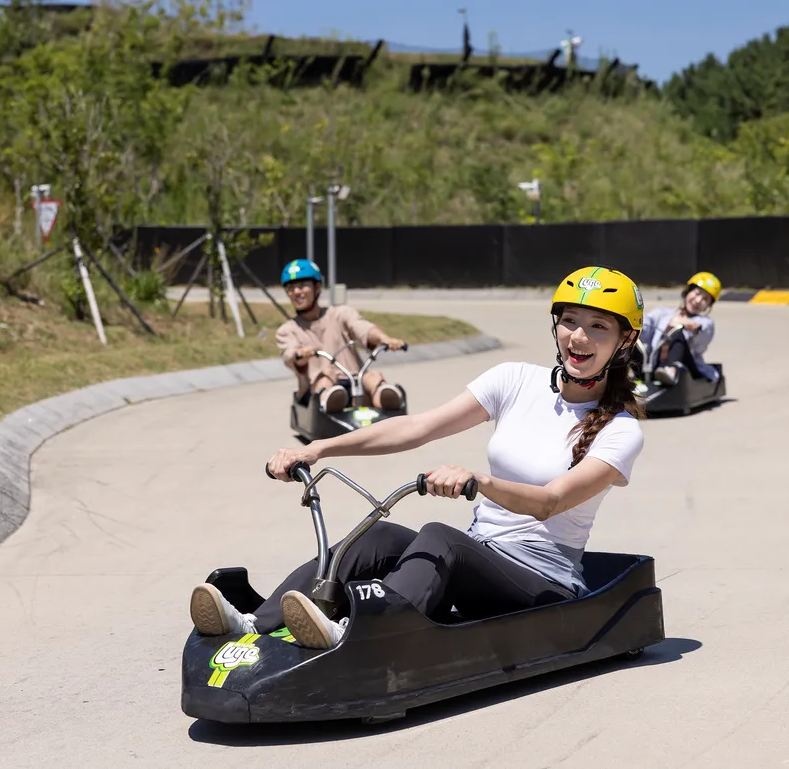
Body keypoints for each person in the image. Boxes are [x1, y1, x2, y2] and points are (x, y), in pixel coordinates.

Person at [189, 265, 648, 650]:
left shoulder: (619, 429)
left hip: (541, 581)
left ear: (624, 341)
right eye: (570, 320)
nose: (579, 337)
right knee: (378, 535)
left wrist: (479, 481)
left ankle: (355, 638)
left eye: (598, 326)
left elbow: (551, 500)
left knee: (440, 538)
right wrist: (317, 447)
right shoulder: (514, 380)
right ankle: (254, 624)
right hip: (481, 556)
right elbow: (416, 427)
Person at [275, 258, 407, 413]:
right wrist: (300, 355)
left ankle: (387, 405)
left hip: (354, 383)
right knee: (326, 378)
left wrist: (385, 339)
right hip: (315, 390)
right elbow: (290, 354)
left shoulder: (340, 314)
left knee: (372, 377)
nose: (296, 292)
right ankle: (330, 404)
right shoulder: (287, 330)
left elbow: (363, 328)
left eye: (302, 286)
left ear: (317, 287)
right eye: (291, 288)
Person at [640, 271, 722, 385]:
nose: (698, 301)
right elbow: (645, 326)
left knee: (677, 333)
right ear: (688, 292)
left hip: (686, 366)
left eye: (705, 299)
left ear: (708, 306)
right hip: (653, 362)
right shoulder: (663, 313)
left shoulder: (706, 323)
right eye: (697, 293)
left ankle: (670, 370)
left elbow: (700, 344)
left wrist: (688, 325)